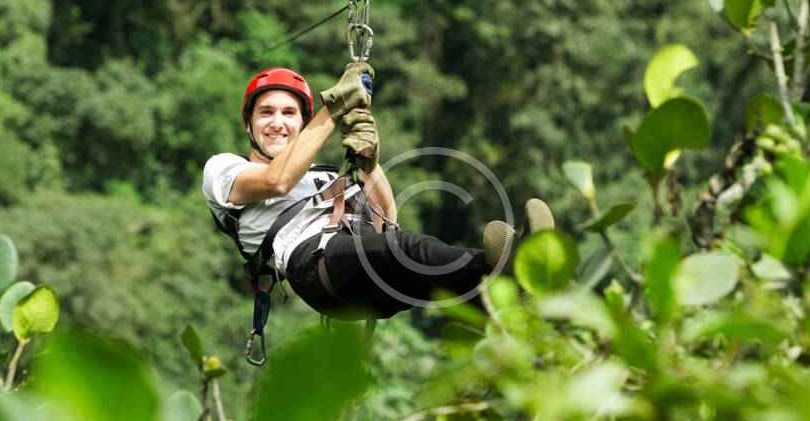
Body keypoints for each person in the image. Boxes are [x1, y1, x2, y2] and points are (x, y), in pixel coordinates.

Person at [202, 63, 554, 320]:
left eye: (288, 113)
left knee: (426, 272)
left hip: (363, 268)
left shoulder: (325, 175)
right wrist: (334, 109)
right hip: (316, 265)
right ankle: (513, 270)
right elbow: (275, 182)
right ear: (248, 125)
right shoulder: (224, 170)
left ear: (301, 124)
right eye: (266, 113)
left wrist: (369, 162)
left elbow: (387, 221)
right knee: (407, 250)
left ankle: (520, 304)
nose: (277, 122)